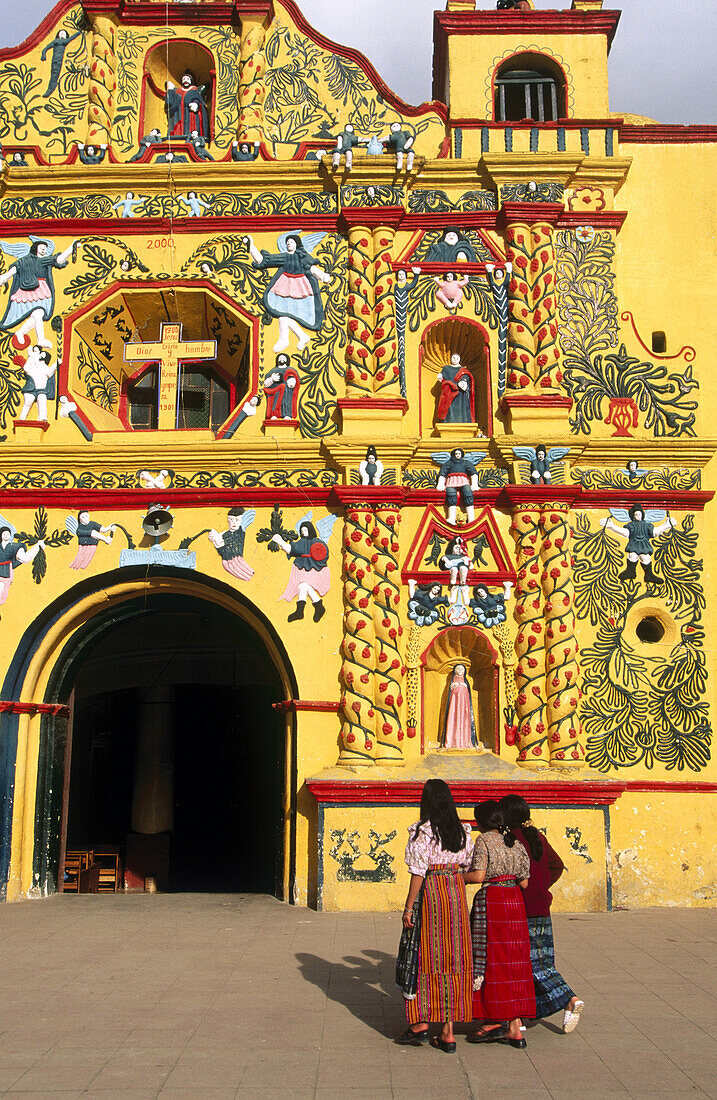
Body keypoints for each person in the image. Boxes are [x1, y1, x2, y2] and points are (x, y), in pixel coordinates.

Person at [396, 778, 473, 1052]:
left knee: (427, 955)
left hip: (432, 893)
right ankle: (449, 1031)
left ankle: (422, 1020)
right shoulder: (462, 832)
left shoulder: (423, 832)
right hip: (455, 892)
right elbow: (467, 866)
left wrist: (408, 907)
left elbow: (418, 872)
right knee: (455, 956)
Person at [499, 795, 585, 1033]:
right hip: (541, 907)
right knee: (541, 958)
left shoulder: (510, 841)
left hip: (520, 909)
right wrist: (543, 885)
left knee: (529, 963)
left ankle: (569, 998)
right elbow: (557, 866)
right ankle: (527, 1013)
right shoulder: (537, 838)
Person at [463, 800, 535, 1048]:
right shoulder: (515, 842)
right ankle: (515, 1025)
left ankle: (495, 1015)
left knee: (493, 960)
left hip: (492, 901)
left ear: (481, 822)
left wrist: (455, 876)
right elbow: (525, 882)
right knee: (515, 961)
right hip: (515, 900)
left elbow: (479, 876)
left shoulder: (484, 841)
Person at [442, 664, 478, 749]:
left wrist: (463, 686)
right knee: (453, 719)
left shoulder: (466, 683)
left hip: (464, 707)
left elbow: (468, 694)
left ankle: (465, 741)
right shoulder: (452, 682)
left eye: (462, 669)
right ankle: (452, 741)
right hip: (454, 707)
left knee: (465, 720)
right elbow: (450, 694)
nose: (460, 671)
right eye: (458, 669)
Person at [436, 352, 474, 423]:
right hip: (449, 392)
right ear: (451, 359)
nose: (455, 359)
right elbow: (442, 378)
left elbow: (466, 376)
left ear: (459, 359)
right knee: (449, 407)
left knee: (460, 408)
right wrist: (440, 376)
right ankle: (448, 421)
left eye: (457, 358)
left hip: (460, 393)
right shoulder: (446, 368)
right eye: (453, 357)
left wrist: (463, 382)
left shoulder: (462, 370)